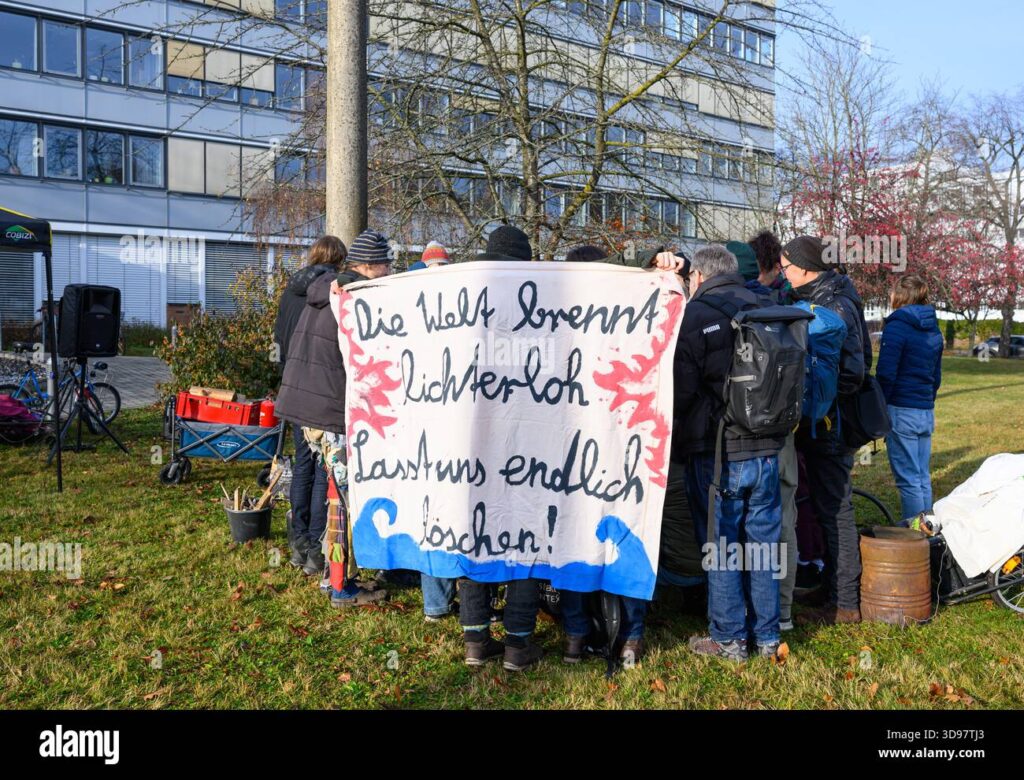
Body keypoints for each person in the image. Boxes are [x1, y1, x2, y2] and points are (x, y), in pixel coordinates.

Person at [676, 245, 785, 662]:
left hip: (717, 452)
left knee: (721, 546)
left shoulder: (696, 316)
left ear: (698, 277)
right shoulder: (767, 304)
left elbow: (681, 391)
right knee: (762, 545)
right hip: (769, 446)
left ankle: (729, 639)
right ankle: (768, 636)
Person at [276, 229, 393, 607]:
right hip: (328, 412)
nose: (390, 271)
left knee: (332, 494)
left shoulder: (326, 289)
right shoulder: (353, 297)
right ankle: (341, 587)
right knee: (342, 499)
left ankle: (333, 575)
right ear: (370, 266)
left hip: (306, 409)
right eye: (386, 264)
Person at [460, 225, 544, 671]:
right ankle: (517, 644)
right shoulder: (545, 303)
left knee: (476, 535)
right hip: (532, 444)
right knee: (526, 537)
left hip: (475, 446)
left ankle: (476, 640)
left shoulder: (467, 300)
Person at [782, 235, 871, 626]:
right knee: (824, 505)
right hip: (826, 423)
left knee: (836, 510)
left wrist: (821, 402)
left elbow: (853, 370)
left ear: (804, 268)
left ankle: (845, 603)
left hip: (832, 425)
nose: (783, 274)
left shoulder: (832, 303)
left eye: (786, 267)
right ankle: (833, 587)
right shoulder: (831, 295)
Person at [273, 236, 343, 575]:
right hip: (318, 389)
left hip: (292, 383)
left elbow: (278, 337)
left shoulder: (291, 290)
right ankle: (316, 547)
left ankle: (298, 541)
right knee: (321, 469)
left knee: (302, 464)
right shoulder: (329, 292)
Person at [876, 274, 943, 523]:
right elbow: (936, 376)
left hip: (902, 409)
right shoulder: (933, 327)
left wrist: (880, 408)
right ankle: (928, 532)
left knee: (909, 479)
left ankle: (916, 536)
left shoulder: (897, 326)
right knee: (922, 476)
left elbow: (886, 372)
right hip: (924, 409)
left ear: (901, 295)